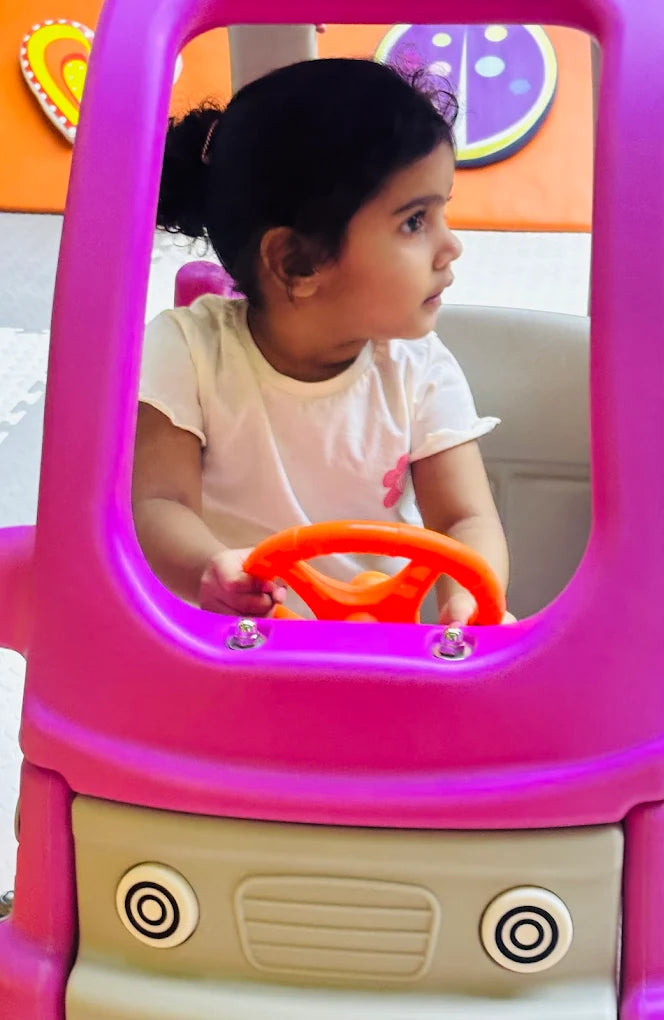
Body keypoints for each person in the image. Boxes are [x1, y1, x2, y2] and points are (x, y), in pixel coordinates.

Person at [133, 57, 511, 625]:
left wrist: (469, 598)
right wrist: (210, 567)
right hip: (234, 646)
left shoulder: (418, 368)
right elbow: (160, 503)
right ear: (298, 262)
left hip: (376, 646)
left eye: (442, 212)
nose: (450, 245)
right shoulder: (187, 353)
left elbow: (464, 519)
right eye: (414, 221)